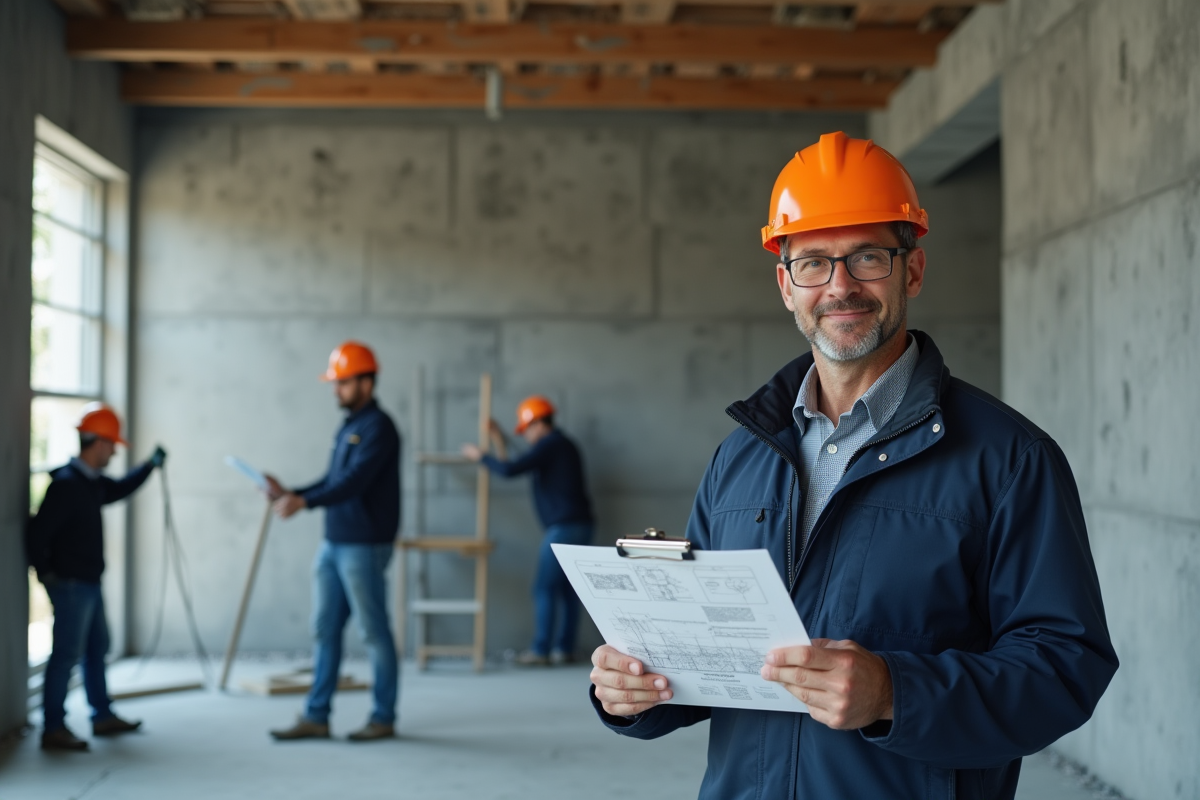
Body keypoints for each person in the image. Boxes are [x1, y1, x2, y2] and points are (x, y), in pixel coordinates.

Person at [588, 132, 1119, 799]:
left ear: (912, 270)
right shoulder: (741, 456)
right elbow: (714, 654)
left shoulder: (1009, 459)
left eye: (867, 257)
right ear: (786, 286)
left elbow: (1066, 667)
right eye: (813, 263)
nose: (840, 286)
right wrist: (635, 690)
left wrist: (896, 692)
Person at [266, 341, 402, 742]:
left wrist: (304, 502)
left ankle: (383, 717)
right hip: (334, 542)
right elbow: (332, 480)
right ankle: (317, 716)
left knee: (373, 632)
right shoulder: (348, 426)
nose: (335, 389)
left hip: (364, 544)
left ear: (366, 382)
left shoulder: (379, 428)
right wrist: (291, 492)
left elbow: (354, 482)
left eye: (342, 382)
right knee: (324, 629)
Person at [26, 403, 166, 751]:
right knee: (65, 656)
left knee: (95, 649)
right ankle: (53, 728)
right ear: (99, 443)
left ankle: (101, 715)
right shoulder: (66, 485)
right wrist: (47, 575)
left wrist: (149, 466)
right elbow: (37, 535)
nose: (115, 451)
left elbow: (118, 489)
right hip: (71, 585)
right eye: (112, 444)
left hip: (89, 582)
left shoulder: (90, 483)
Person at [462, 396, 593, 666]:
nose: (526, 436)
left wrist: (480, 457)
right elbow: (521, 459)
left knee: (544, 588)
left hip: (563, 528)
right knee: (569, 591)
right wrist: (499, 438)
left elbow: (510, 469)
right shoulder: (561, 445)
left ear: (539, 424)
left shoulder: (550, 445)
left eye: (527, 429)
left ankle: (541, 650)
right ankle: (564, 649)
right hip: (581, 525)